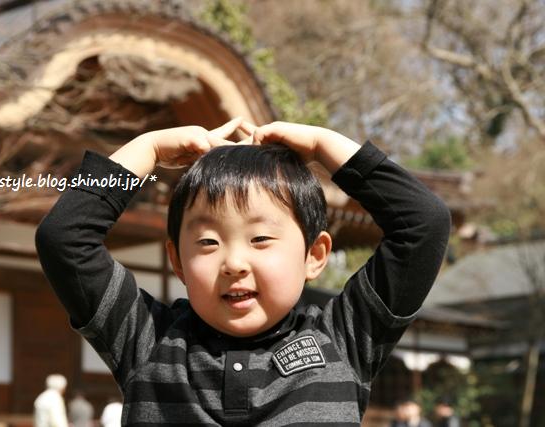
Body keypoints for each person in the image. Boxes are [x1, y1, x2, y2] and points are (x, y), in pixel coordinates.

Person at [36, 118, 451, 425]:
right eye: (208, 242)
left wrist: (323, 145)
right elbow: (65, 239)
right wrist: (148, 150)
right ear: (177, 261)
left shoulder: (343, 340)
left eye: (260, 239)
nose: (234, 263)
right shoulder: (147, 340)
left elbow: (423, 224)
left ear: (315, 254)